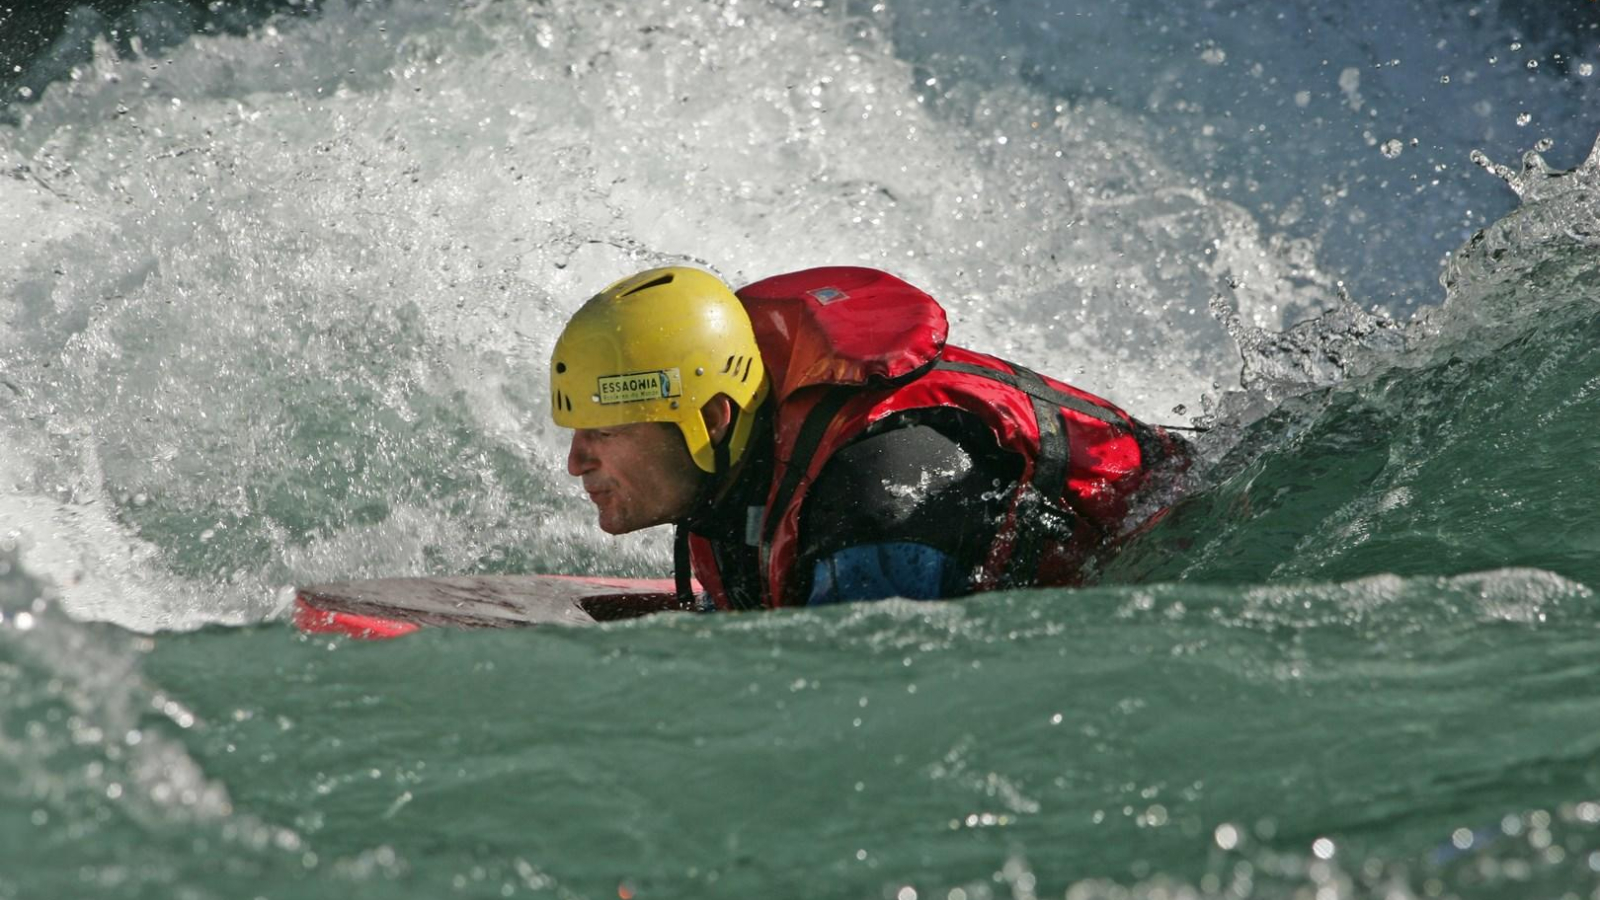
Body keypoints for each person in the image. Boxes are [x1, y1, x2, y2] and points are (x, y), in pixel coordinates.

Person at [550, 266, 1188, 610]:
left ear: (713, 418)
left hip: (1184, 540)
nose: (577, 461)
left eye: (603, 432)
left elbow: (870, 718)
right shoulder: (732, 461)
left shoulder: (879, 502)